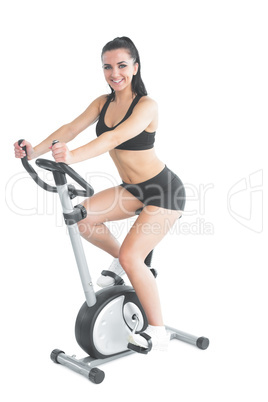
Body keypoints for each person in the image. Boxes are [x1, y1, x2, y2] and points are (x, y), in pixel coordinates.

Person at [14, 36, 186, 352]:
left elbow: (114, 138)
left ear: (135, 67)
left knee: (132, 257)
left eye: (122, 65)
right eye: (107, 67)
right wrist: (34, 150)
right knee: (82, 219)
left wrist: (71, 156)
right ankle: (127, 263)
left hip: (164, 192)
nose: (114, 73)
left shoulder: (147, 106)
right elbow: (70, 128)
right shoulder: (102, 102)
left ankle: (158, 332)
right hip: (131, 190)